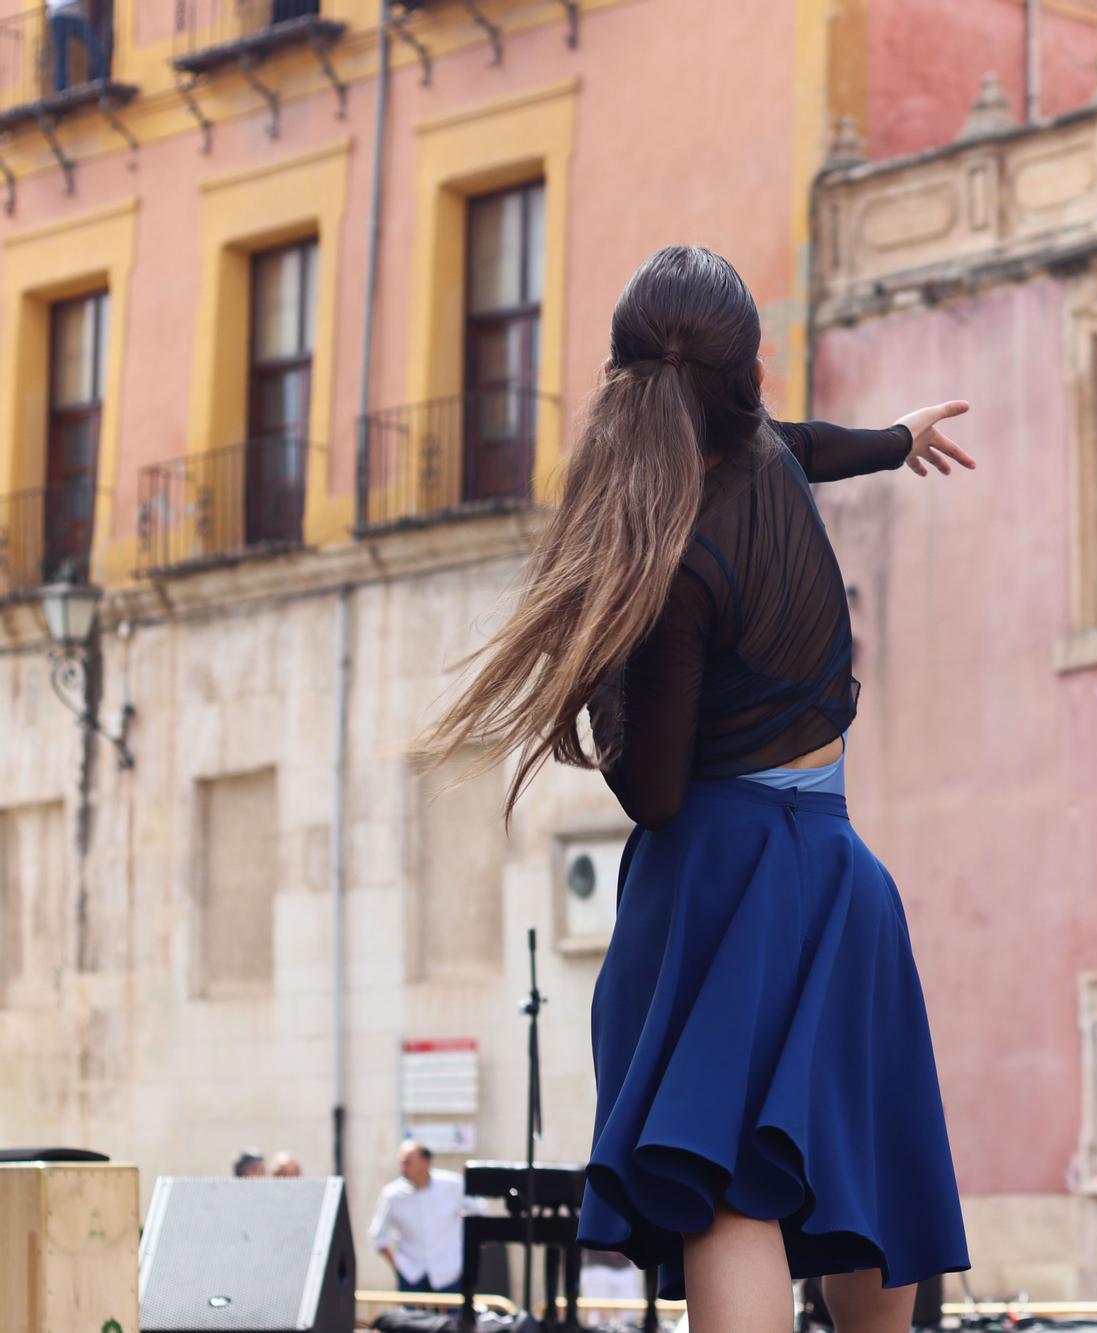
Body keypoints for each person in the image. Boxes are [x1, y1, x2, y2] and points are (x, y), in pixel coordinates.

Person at [420, 245, 974, 1333]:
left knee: (728, 1184)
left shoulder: (666, 553)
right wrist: (898, 441)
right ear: (747, 375)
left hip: (723, 881)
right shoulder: (760, 468)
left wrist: (596, 670)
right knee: (860, 1160)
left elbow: (656, 794)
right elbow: (801, 446)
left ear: (621, 377)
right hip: (839, 874)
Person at [368, 1139, 470, 1293]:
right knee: (411, 1318)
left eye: (408, 1163)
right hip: (411, 1276)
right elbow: (378, 1236)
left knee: (453, 1318)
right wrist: (399, 1268)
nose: (403, 1168)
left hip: (449, 1274)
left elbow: (479, 1213)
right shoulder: (392, 1195)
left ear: (425, 1162)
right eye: (401, 1163)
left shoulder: (453, 1185)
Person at [45, 0, 108, 94]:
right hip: (61, 14)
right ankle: (60, 89)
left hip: (71, 14)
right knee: (61, 55)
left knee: (92, 45)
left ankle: (102, 78)